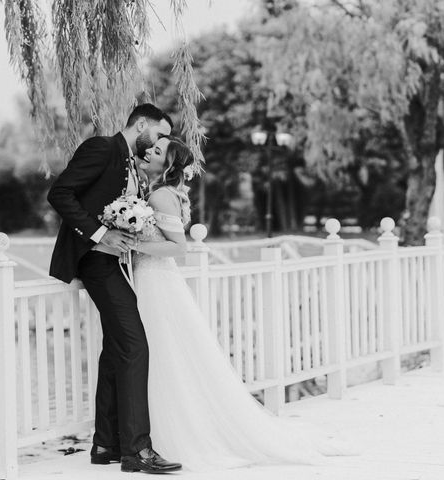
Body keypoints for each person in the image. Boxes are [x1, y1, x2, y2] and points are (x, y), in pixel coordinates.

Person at [131, 135, 351, 471]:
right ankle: (157, 433)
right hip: (156, 281)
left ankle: (172, 435)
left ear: (170, 164)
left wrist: (131, 244)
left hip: (156, 279)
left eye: (158, 151)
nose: (150, 152)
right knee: (168, 355)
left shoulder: (161, 195)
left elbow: (178, 248)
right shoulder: (162, 192)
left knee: (164, 355)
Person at [47, 104, 183, 474]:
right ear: (141, 125)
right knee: (135, 345)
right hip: (95, 261)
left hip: (115, 263)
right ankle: (137, 451)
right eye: (158, 135)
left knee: (117, 348)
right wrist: (100, 234)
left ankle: (105, 444)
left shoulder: (129, 161)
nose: (160, 143)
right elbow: (60, 193)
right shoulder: (102, 148)